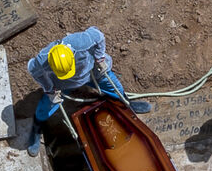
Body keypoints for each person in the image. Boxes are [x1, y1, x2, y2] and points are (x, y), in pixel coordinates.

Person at [24, 27, 151, 156]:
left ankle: (126, 103)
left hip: (91, 71)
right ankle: (36, 128)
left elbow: (99, 36)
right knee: (45, 108)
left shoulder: (80, 42)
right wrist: (50, 89)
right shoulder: (42, 60)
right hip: (63, 84)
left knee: (115, 87)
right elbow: (34, 70)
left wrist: (100, 58)